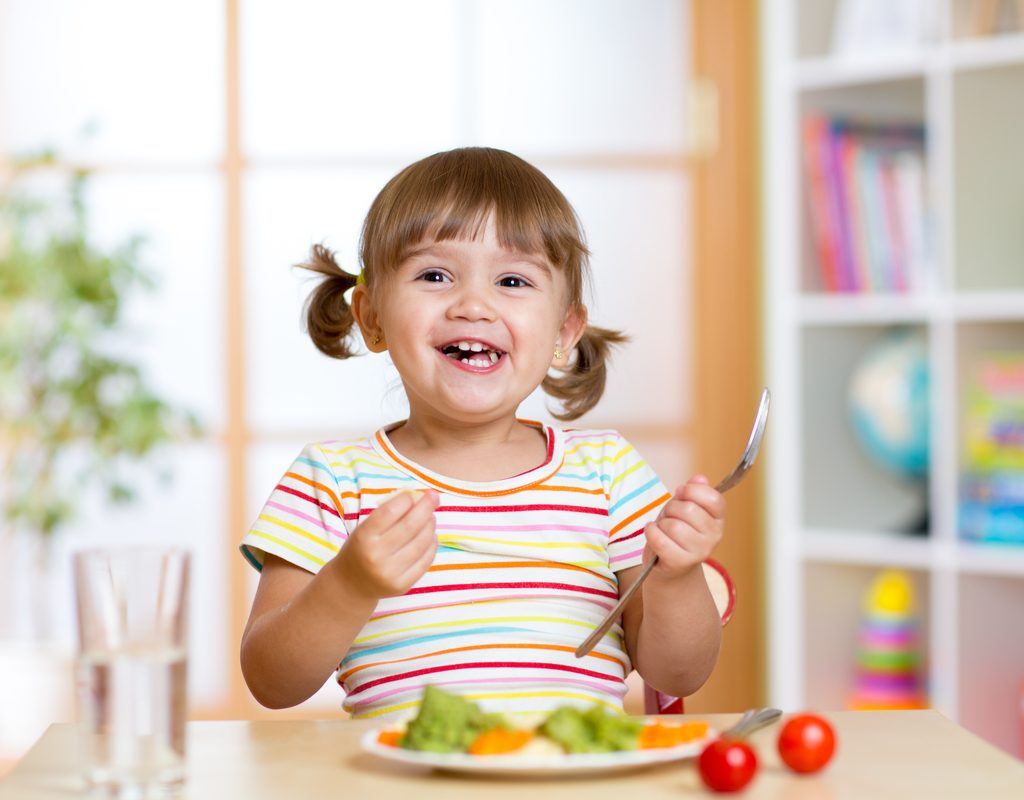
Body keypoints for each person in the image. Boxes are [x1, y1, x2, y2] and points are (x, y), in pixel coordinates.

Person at [239, 147, 725, 720]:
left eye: (513, 280)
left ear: (565, 330)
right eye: (434, 275)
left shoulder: (608, 472)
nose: (473, 305)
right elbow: (271, 681)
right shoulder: (333, 478)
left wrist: (676, 577)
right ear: (371, 318)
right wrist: (347, 584)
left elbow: (678, 672)